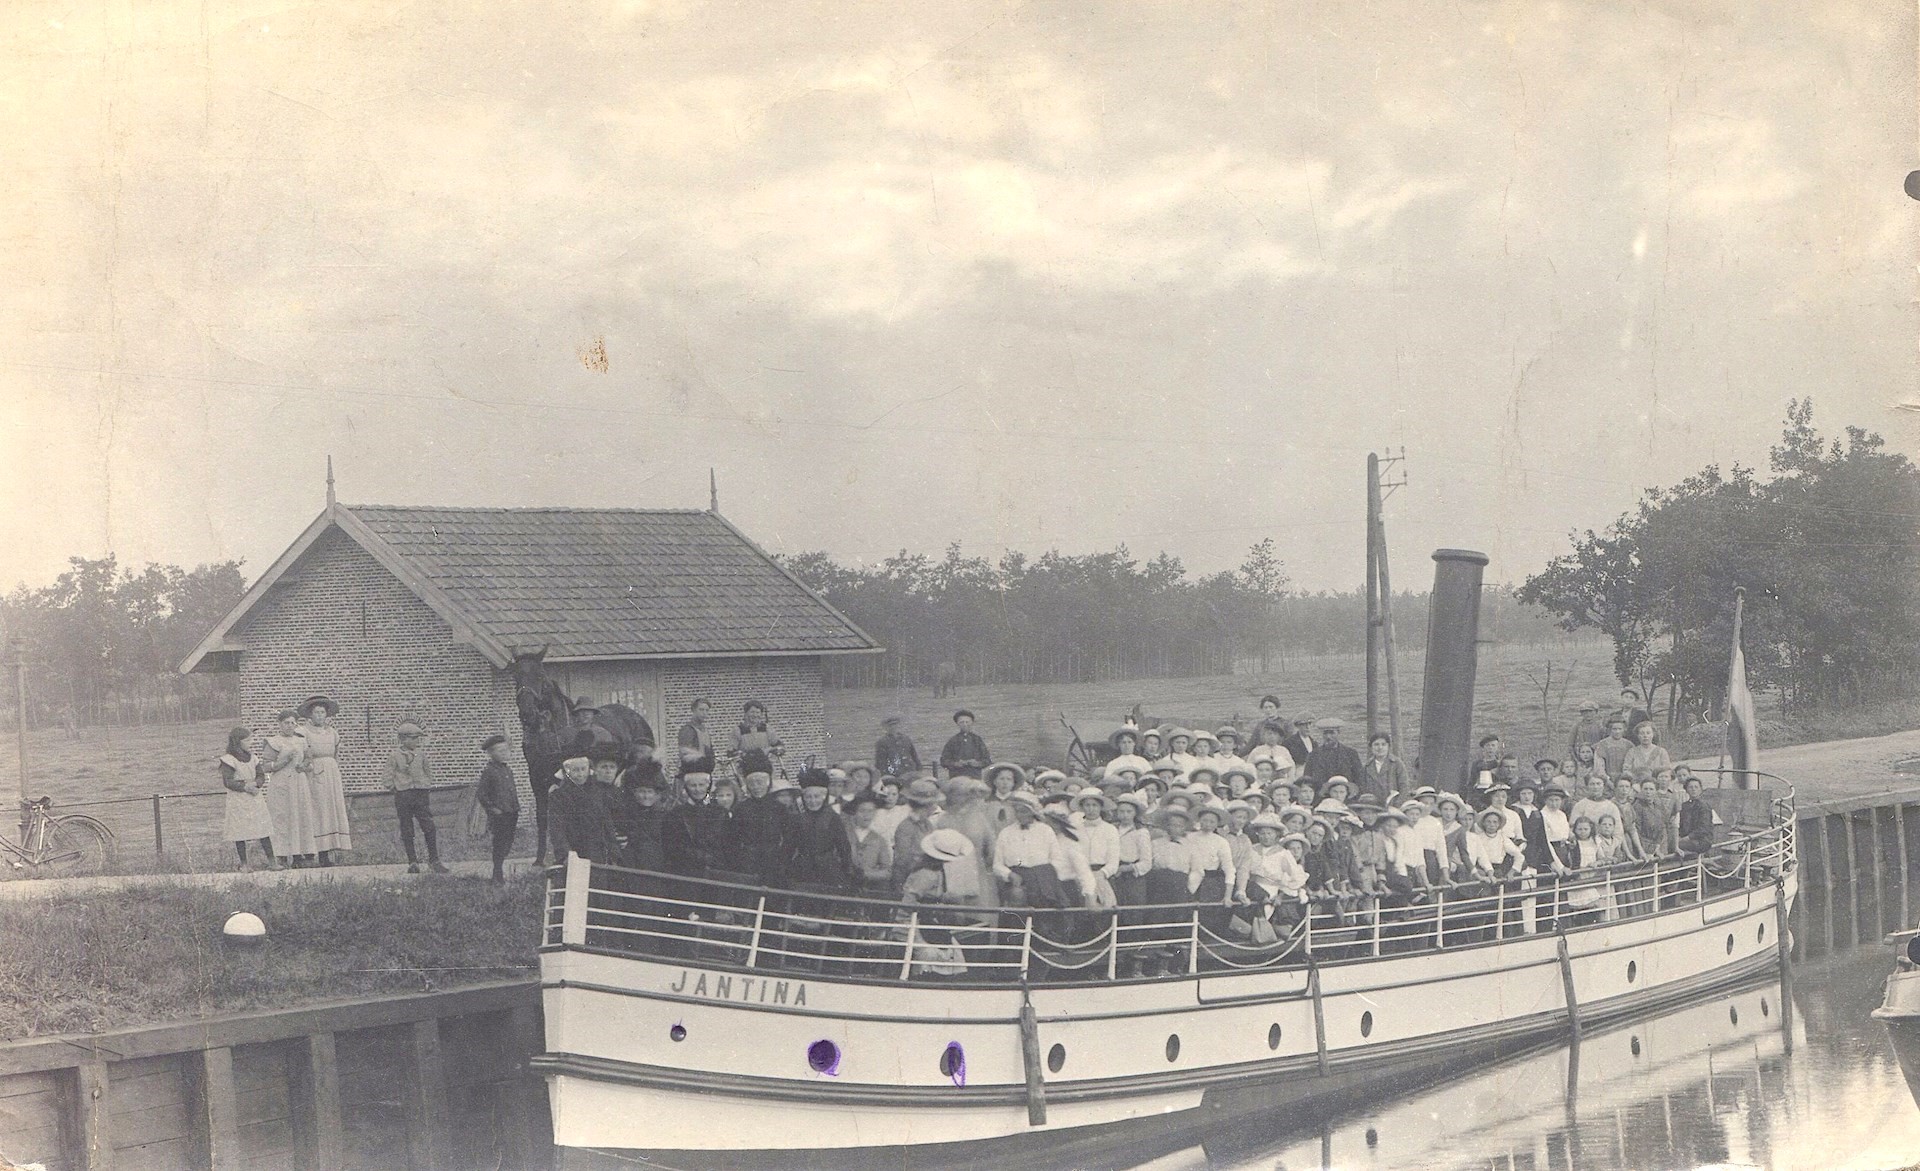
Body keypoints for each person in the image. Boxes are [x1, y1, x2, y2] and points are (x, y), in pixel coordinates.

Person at [384, 721, 448, 874]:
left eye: (417, 739)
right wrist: (397, 789)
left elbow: (428, 773)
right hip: (403, 795)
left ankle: (434, 860)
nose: (416, 742)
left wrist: (425, 785)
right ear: (403, 739)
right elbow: (387, 776)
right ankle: (413, 862)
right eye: (413, 738)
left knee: (428, 826)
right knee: (407, 828)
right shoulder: (394, 756)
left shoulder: (421, 755)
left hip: (420, 794)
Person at [297, 695, 352, 864]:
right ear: (310, 714)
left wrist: (332, 768)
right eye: (316, 712)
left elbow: (336, 754)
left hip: (331, 774)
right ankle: (310, 853)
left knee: (329, 811)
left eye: (322, 712)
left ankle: (326, 854)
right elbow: (301, 754)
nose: (320, 715)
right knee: (315, 811)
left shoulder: (332, 733)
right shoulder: (303, 732)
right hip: (313, 773)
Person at [218, 726, 278, 872]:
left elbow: (261, 775)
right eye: (247, 740)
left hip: (254, 796)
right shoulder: (228, 760)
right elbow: (228, 781)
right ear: (237, 742)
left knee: (263, 828)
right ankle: (244, 864)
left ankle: (272, 862)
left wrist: (256, 784)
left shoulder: (253, 757)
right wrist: (245, 787)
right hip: (238, 798)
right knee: (240, 831)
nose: (250, 742)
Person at [262, 709, 317, 867]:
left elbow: (308, 758)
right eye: (286, 723)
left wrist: (304, 765)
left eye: (293, 723)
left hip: (299, 782)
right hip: (281, 783)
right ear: (280, 724)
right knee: (282, 817)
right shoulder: (273, 742)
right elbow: (266, 766)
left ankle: (300, 855)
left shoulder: (301, 740)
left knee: (301, 816)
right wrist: (284, 761)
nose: (290, 726)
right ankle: (282, 856)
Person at [785, 769, 854, 891]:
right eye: (808, 797)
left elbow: (843, 847)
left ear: (823, 796)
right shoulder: (797, 818)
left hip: (827, 869)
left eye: (816, 797)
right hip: (802, 868)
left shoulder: (833, 818)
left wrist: (847, 872)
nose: (813, 801)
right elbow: (788, 847)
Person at [993, 793, 1064, 907]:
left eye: (1024, 811)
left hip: (1043, 883)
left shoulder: (1045, 830)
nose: (1020, 815)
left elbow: (1057, 860)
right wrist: (1009, 874)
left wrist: (1044, 877)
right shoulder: (1006, 833)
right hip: (1016, 883)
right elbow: (997, 865)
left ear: (1032, 812)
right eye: (1017, 811)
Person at [548, 755, 618, 864]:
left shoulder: (598, 792)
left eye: (583, 769)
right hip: (574, 851)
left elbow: (606, 822)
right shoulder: (558, 796)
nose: (580, 774)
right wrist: (566, 854)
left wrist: (613, 849)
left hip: (597, 851)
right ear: (567, 772)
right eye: (575, 770)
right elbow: (557, 829)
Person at [661, 771, 728, 875]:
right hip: (685, 870)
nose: (697, 789)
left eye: (701, 785)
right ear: (686, 787)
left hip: (715, 870)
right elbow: (671, 845)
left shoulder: (720, 812)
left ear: (708, 786)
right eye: (693, 785)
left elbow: (727, 844)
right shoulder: (675, 814)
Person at [475, 733, 521, 883]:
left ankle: (499, 867)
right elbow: (482, 794)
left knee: (508, 841)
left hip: (511, 812)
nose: (504, 754)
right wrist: (493, 809)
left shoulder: (507, 770)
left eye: (506, 750)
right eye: (500, 751)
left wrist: (515, 807)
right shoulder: (489, 771)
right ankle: (497, 872)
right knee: (500, 843)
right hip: (500, 814)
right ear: (491, 753)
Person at [732, 770, 789, 884]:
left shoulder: (779, 808)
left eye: (760, 783)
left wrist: (782, 857)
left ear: (768, 784)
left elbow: (788, 836)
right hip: (749, 860)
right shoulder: (740, 809)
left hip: (774, 860)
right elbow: (733, 837)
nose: (756, 787)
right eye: (752, 784)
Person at [891, 778, 945, 889]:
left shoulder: (927, 825)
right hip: (910, 883)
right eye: (933, 803)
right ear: (925, 805)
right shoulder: (907, 827)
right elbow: (902, 861)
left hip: (926, 883)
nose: (935, 806)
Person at [621, 770, 669, 871]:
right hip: (632, 865)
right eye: (642, 791)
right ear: (634, 792)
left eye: (650, 792)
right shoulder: (626, 815)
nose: (646, 796)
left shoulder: (664, 818)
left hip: (655, 866)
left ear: (656, 794)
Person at [848, 796, 894, 892]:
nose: (866, 815)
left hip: (869, 888)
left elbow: (887, 871)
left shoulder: (879, 840)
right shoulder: (845, 835)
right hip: (846, 886)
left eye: (870, 811)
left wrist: (866, 874)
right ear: (854, 813)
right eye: (862, 811)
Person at [1303, 719, 1363, 790]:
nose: (1328, 736)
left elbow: (1359, 779)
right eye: (1325, 733)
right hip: (1320, 796)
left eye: (1332, 733)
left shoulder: (1351, 754)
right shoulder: (1313, 755)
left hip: (1344, 796)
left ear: (1338, 733)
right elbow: (1307, 780)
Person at [734, 700, 784, 780]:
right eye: (752, 712)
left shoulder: (767, 728)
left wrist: (770, 750)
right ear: (746, 713)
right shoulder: (738, 730)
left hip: (765, 766)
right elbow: (731, 752)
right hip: (746, 767)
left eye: (758, 712)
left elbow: (779, 746)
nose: (755, 715)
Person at [1357, 733, 1409, 803]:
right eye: (1376, 744)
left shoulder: (1397, 764)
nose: (1380, 747)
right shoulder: (1367, 767)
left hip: (1393, 806)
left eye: (1383, 744)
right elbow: (1362, 789)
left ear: (1388, 746)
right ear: (1371, 747)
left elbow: (1404, 787)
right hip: (1373, 807)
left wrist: (1397, 804)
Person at [939, 710, 990, 779]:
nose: (965, 724)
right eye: (962, 722)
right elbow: (944, 761)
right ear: (957, 723)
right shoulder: (953, 741)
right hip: (957, 777)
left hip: (975, 777)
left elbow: (987, 760)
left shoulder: (977, 740)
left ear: (972, 722)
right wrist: (956, 764)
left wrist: (977, 763)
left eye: (967, 722)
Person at [677, 697, 716, 779]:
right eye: (701, 710)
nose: (704, 713)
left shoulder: (705, 730)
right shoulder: (688, 730)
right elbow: (686, 755)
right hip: (693, 774)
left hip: (705, 773)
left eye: (707, 710)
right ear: (694, 710)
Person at [1677, 775, 1716, 855]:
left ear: (1701, 789)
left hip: (1702, 840)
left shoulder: (1704, 806)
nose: (1693, 789)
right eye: (1690, 787)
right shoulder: (1684, 806)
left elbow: (1704, 828)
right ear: (1686, 790)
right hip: (1688, 839)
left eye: (1696, 787)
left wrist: (1687, 838)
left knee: (1675, 845)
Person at [875, 714, 921, 779]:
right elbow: (880, 762)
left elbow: (914, 755)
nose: (894, 727)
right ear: (886, 727)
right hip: (893, 774)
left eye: (895, 725)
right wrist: (885, 775)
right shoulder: (882, 742)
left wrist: (918, 768)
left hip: (909, 771)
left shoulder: (906, 739)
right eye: (891, 725)